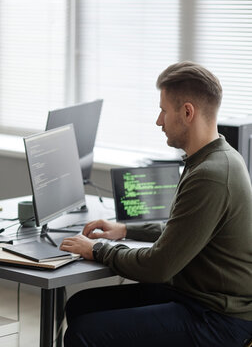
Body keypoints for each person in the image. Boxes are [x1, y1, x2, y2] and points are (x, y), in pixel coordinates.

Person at [59, 62, 252, 346]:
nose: (158, 121)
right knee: (80, 305)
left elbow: (158, 267)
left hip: (219, 317)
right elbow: (182, 230)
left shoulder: (211, 175)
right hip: (197, 296)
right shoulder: (217, 156)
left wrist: (98, 249)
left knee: (84, 332)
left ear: (187, 112)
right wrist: (125, 230)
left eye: (163, 110)